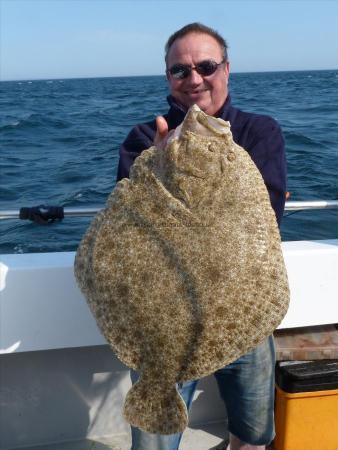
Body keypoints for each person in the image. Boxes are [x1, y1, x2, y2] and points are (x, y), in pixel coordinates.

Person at [116, 23, 287, 450]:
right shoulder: (144, 139)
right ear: (168, 78)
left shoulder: (259, 132)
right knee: (154, 442)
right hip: (165, 317)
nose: (194, 79)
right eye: (180, 70)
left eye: (206, 66)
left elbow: (266, 216)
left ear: (226, 69)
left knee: (254, 434)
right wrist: (155, 170)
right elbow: (128, 232)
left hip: (242, 315)